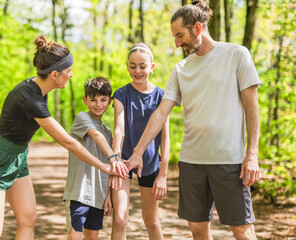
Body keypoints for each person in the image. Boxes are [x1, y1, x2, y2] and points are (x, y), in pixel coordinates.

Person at [126, 1, 261, 239]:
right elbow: (160, 114)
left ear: (198, 28)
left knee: (242, 229)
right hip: (192, 162)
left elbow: (252, 109)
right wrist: (138, 152)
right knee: (197, 228)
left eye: (180, 35)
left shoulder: (237, 55)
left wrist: (252, 155)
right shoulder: (181, 69)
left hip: (229, 160)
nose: (177, 43)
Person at [0, 35, 128, 240]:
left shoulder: (40, 90)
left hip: (18, 158)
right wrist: (104, 166)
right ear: (55, 74)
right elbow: (67, 141)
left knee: (28, 221)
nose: (71, 75)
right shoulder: (30, 97)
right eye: (68, 71)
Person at [111, 43, 170, 240]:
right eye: (132, 65)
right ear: (127, 66)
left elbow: (165, 137)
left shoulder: (162, 96)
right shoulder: (120, 94)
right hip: (124, 162)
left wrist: (163, 174)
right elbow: (119, 128)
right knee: (120, 219)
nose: (137, 71)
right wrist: (116, 159)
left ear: (151, 67)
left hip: (151, 165)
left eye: (142, 66)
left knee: (151, 220)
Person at [63, 77, 129, 240]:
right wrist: (114, 157)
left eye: (103, 100)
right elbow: (95, 134)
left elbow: (108, 169)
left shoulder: (108, 132)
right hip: (78, 193)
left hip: (98, 196)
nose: (98, 104)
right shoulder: (82, 118)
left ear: (110, 101)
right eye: (93, 100)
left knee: (93, 237)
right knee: (75, 236)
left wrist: (108, 196)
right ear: (85, 100)